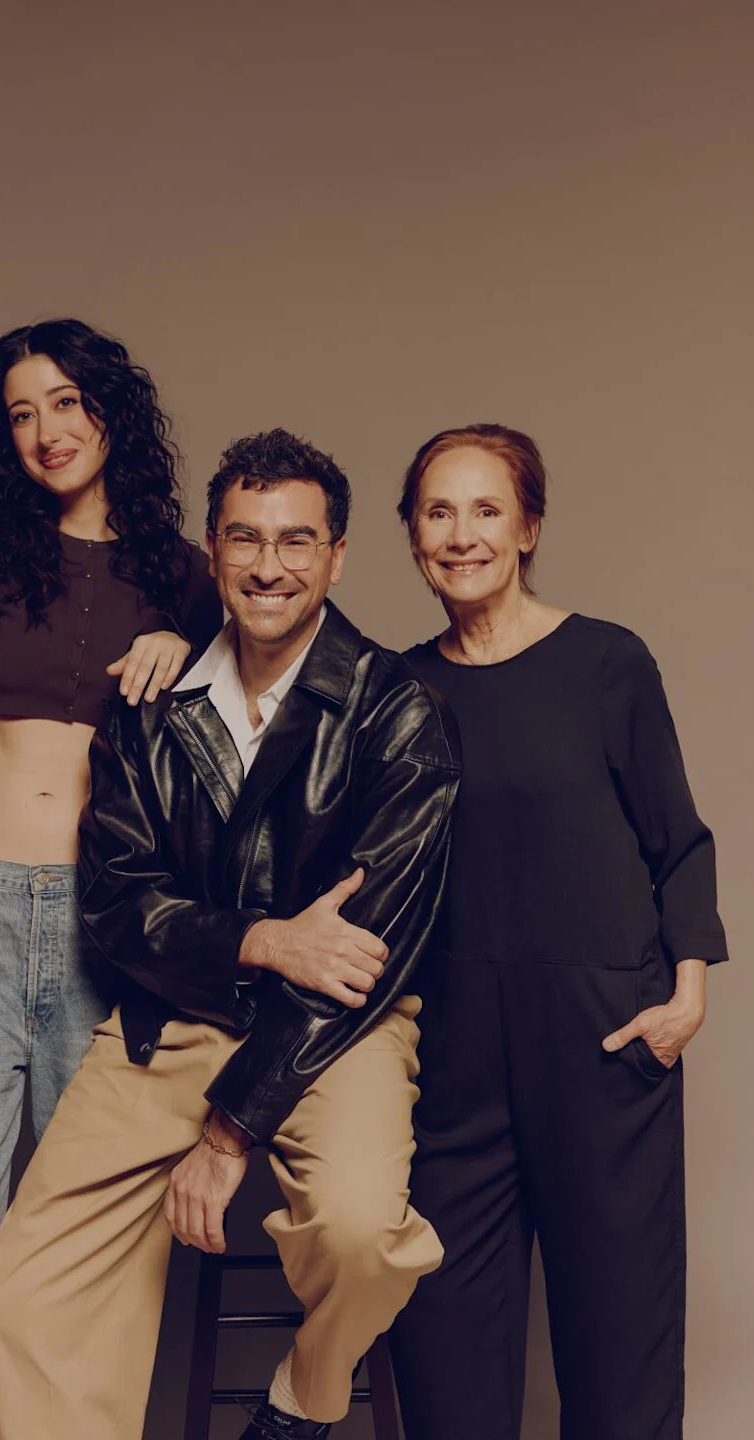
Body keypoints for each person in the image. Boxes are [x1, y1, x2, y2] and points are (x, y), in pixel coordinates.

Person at [0, 427, 461, 1440]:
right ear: (214, 549)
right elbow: (116, 904)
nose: (269, 566)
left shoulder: (396, 709)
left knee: (366, 1236)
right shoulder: (151, 710)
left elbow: (366, 949)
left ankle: (303, 1400)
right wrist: (261, 939)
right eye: (246, 538)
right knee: (20, 1294)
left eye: (296, 541)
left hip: (336, 1030)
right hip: (174, 1024)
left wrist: (229, 1134)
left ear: (335, 556)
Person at [0, 318, 221, 1440]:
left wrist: (188, 642)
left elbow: (254, 721)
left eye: (65, 402)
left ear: (109, 410)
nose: (46, 430)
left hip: (104, 931)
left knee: (92, 1249)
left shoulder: (184, 576)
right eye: (20, 413)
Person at [389, 424, 728, 1440]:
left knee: (620, 1346)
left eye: (486, 509)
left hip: (601, 1034)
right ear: (412, 536)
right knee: (444, 1347)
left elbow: (680, 840)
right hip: (451, 1046)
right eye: (438, 513)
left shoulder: (606, 662)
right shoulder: (397, 688)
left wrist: (687, 997)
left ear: (528, 527)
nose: (461, 536)